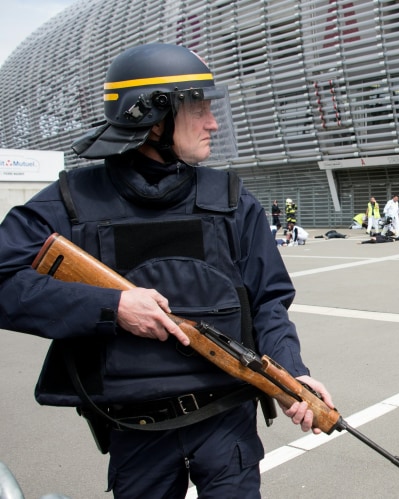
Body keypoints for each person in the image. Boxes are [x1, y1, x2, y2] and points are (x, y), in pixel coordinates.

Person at [0, 43, 332, 498]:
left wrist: (291, 375)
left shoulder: (232, 200)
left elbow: (268, 302)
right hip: (136, 433)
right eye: (198, 107)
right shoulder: (72, 202)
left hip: (227, 428)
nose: (213, 122)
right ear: (152, 117)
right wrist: (112, 306)